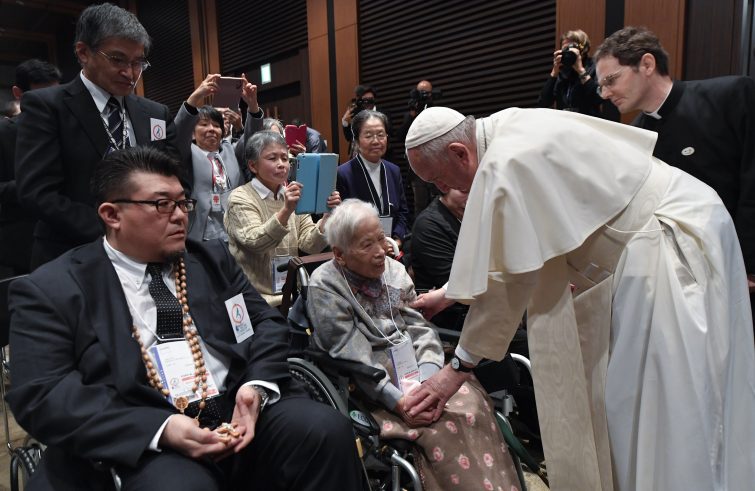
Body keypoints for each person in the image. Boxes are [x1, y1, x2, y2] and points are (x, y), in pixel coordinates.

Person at [402, 106, 755, 491]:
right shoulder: (505, 129)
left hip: (665, 251)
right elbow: (509, 254)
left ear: (459, 153)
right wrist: (447, 295)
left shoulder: (506, 162)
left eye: (437, 179)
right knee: (638, 408)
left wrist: (456, 369)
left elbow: (509, 279)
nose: (443, 190)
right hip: (656, 243)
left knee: (669, 409)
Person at [5, 145, 362, 490]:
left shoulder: (209, 260)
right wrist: (161, 428)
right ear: (112, 215)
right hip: (144, 429)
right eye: (162, 204)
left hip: (237, 408)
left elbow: (267, 324)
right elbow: (43, 393)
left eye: (182, 203)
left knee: (324, 430)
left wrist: (256, 386)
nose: (179, 216)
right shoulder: (53, 289)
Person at [306, 199, 521, 491]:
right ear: (340, 255)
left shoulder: (394, 271)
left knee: (472, 406)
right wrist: (399, 401)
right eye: (367, 245)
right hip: (371, 386)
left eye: (381, 238)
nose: (381, 251)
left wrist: (430, 378)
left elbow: (421, 329)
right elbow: (353, 355)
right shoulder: (325, 286)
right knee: (438, 428)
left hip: (419, 370)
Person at [14, 3, 191, 269]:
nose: (130, 73)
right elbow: (37, 193)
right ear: (83, 52)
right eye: (117, 60)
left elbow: (178, 178)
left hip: (149, 252)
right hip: (74, 255)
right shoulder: (48, 106)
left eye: (138, 62)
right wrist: (117, 230)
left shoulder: (155, 113)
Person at [594, 25, 755, 298]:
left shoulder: (732, 95)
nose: (606, 94)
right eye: (601, 87)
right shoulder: (636, 140)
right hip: (683, 282)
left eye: (611, 80)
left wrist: (748, 264)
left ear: (647, 64)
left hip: (743, 267)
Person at [224, 131, 339, 307]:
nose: (281, 164)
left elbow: (310, 245)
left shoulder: (291, 195)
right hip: (255, 298)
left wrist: (327, 218)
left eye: (285, 158)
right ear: (253, 166)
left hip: (293, 294)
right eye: (272, 158)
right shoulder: (240, 198)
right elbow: (256, 242)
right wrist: (286, 211)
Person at [174, 74, 261, 243]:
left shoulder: (231, 151)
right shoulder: (186, 153)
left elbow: (254, 140)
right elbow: (179, 132)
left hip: (237, 231)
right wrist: (196, 97)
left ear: (223, 132)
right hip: (201, 233)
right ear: (193, 133)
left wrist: (252, 105)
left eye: (216, 125)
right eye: (204, 124)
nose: (211, 129)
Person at [0, 59, 61, 276]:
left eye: (55, 94)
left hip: (67, 233)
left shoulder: (67, 127)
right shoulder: (4, 133)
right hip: (21, 241)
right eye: (40, 95)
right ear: (18, 93)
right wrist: (32, 186)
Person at [336, 110, 409, 255]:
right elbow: (342, 221)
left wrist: (396, 240)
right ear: (357, 141)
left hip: (392, 248)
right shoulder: (343, 174)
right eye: (368, 136)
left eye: (381, 135)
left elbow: (403, 212)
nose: (376, 141)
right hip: (360, 252)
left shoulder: (393, 170)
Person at [410, 189, 469, 331]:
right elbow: (459, 283)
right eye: (464, 191)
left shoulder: (474, 214)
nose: (472, 196)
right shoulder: (428, 225)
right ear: (444, 187)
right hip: (454, 318)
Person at [537, 29, 606, 117]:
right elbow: (543, 103)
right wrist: (554, 72)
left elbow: (598, 98)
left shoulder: (594, 66)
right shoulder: (562, 71)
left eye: (571, 48)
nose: (568, 52)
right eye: (565, 49)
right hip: (565, 122)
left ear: (583, 49)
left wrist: (581, 71)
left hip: (587, 123)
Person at [397, 80, 441, 217]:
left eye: (426, 93)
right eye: (421, 92)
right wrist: (412, 116)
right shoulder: (411, 113)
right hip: (417, 166)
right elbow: (400, 136)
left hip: (436, 163)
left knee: (439, 200)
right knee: (420, 204)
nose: (424, 95)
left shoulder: (437, 112)